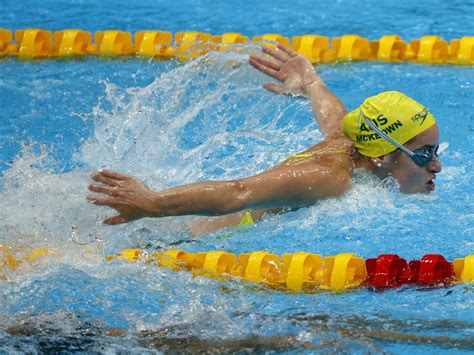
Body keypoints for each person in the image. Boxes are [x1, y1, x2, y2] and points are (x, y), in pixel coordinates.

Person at [87, 44, 442, 234]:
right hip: (198, 237)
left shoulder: (353, 143)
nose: (437, 166)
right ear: (381, 155)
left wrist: (311, 84)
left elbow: (336, 118)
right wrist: (154, 203)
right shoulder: (328, 177)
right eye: (424, 154)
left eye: (435, 151)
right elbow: (238, 192)